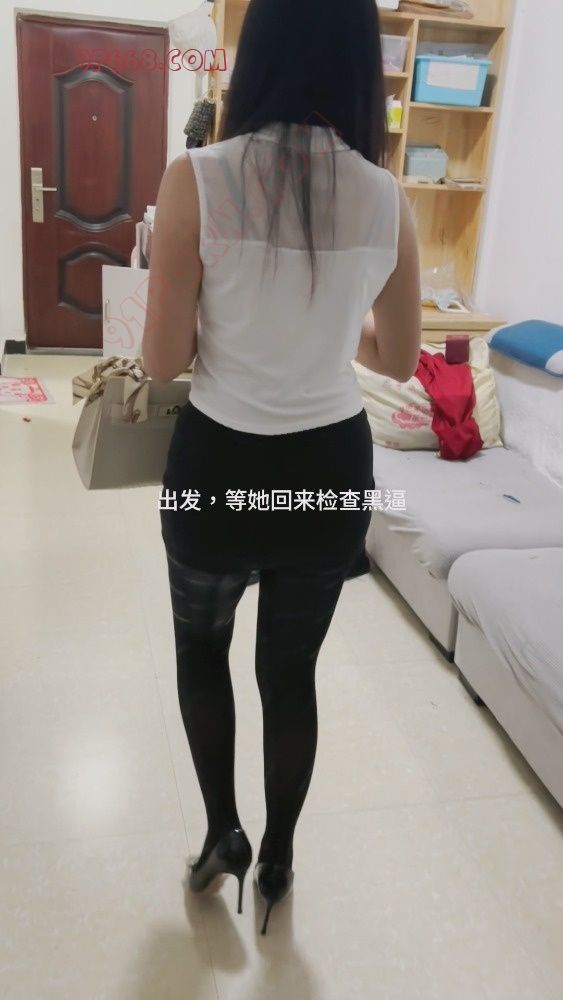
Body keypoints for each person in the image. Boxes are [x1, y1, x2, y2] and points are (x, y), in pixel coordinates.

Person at [142, 0, 421, 936]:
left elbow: (161, 360)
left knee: (202, 653)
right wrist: (333, 325)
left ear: (256, 52)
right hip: (325, 475)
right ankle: (280, 856)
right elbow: (394, 357)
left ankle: (223, 833)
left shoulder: (197, 179)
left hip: (219, 472)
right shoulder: (386, 198)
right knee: (290, 673)